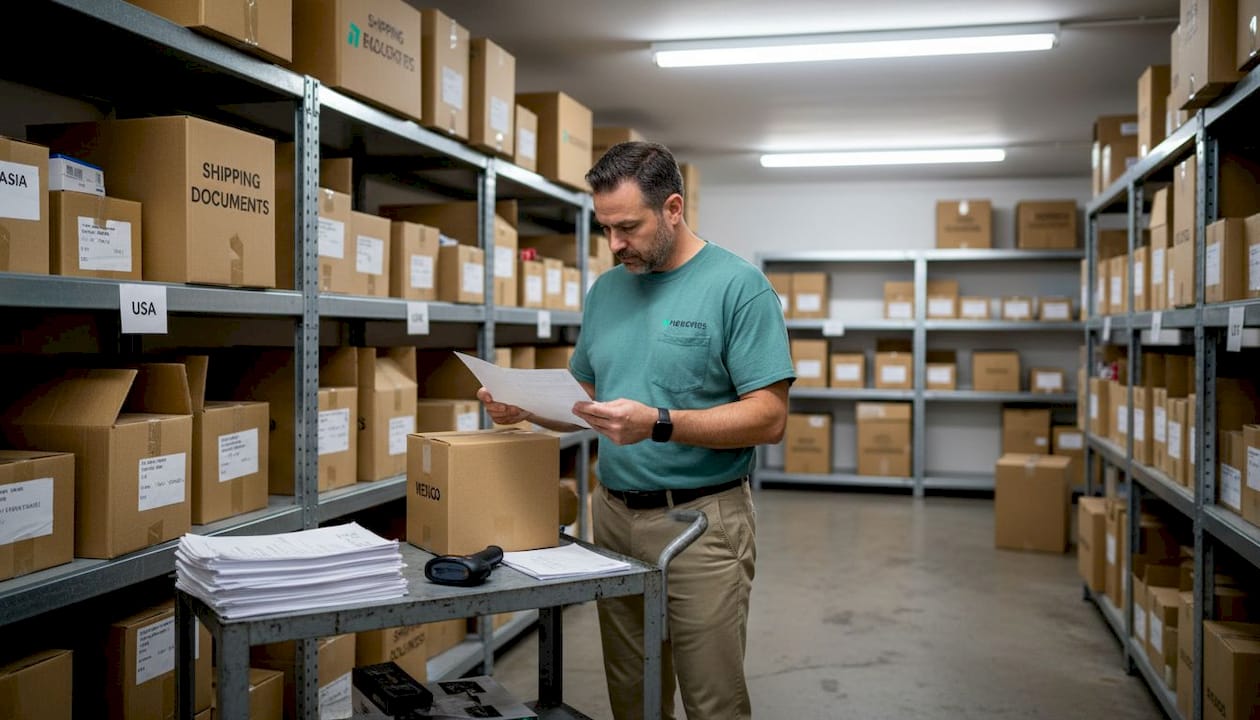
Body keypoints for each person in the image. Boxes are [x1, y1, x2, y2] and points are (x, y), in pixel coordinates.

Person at [477, 141, 794, 720]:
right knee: (633, 693)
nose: (616, 244)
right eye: (605, 229)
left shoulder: (737, 286)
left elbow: (769, 418)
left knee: (712, 699)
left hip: (703, 523)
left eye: (628, 226)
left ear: (673, 208)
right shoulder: (608, 290)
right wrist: (524, 407)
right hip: (614, 519)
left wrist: (660, 424)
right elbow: (586, 399)